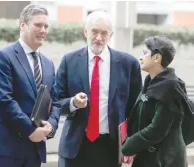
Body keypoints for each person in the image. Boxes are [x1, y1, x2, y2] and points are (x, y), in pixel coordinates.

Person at [51, 10, 142, 167]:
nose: (99, 38)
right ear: (86, 32)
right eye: (94, 32)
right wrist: (73, 103)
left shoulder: (129, 64)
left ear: (110, 35)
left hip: (110, 148)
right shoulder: (69, 61)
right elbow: (55, 102)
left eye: (104, 33)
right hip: (75, 148)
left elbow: (136, 109)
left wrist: (132, 142)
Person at [0, 4, 60, 167]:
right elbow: (4, 100)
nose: (43, 30)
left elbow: (55, 101)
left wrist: (51, 125)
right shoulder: (3, 57)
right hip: (6, 151)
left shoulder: (48, 64)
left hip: (34, 152)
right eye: (38, 25)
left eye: (46, 26)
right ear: (22, 25)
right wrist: (30, 130)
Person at [121, 36, 188, 167]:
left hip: (165, 161)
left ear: (157, 57)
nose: (140, 57)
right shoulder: (151, 82)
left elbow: (157, 129)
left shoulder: (170, 87)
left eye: (145, 53)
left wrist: (128, 146)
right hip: (147, 156)